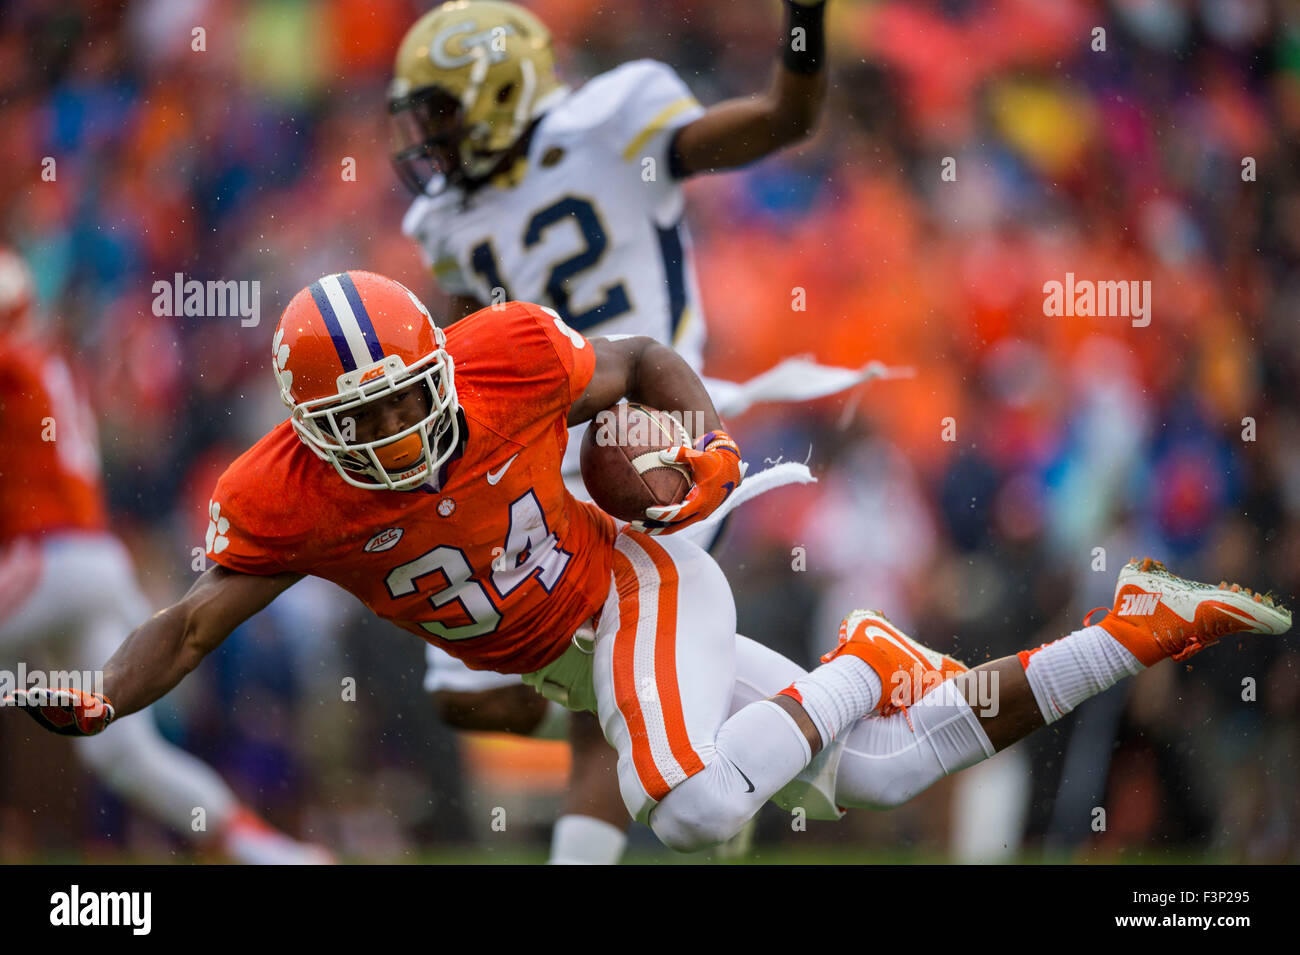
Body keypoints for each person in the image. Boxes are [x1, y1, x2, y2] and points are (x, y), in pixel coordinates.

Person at [11, 271, 1290, 855]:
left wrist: (700, 441)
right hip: (579, 661)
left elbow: (630, 358)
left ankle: (864, 658)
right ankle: (1135, 626)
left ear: (437, 368)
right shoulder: (282, 500)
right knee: (888, 768)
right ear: (307, 436)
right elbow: (180, 626)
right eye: (365, 425)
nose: (401, 436)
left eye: (411, 400)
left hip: (633, 585)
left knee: (687, 809)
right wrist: (99, 697)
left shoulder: (502, 355)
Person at [389, 0, 874, 862]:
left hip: (647, 429)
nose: (429, 135)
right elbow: (467, 352)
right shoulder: (445, 220)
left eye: (441, 111)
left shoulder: (612, 120)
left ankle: (696, 735)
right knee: (469, 694)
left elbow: (784, 118)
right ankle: (716, 719)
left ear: (501, 93)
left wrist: (804, 20)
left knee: (602, 689)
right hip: (540, 447)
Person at [0, 248, 332, 864]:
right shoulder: (44, 363)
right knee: (121, 751)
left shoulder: (15, 365)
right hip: (92, 562)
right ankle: (278, 857)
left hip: (47, 559)